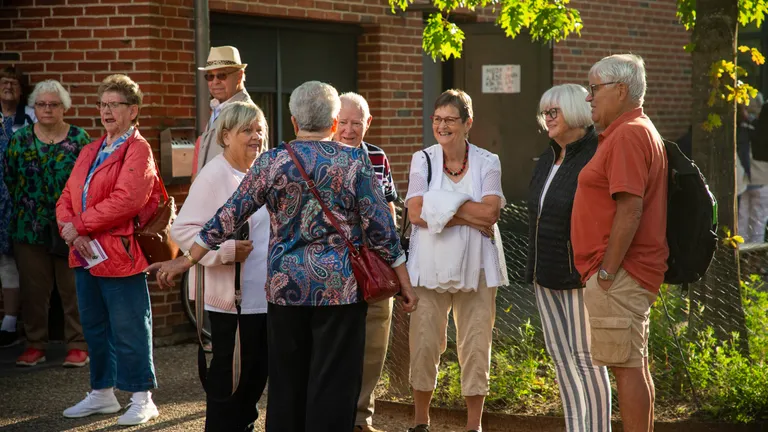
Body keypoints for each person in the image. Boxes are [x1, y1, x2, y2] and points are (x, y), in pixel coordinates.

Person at [146, 81, 418, 432]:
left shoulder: (272, 161)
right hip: (340, 291)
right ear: (335, 123)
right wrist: (404, 283)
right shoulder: (354, 162)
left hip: (285, 289)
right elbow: (382, 230)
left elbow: (227, 217)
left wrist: (187, 259)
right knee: (334, 384)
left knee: (288, 384)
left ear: (293, 121)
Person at [57, 74, 162, 426]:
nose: (106, 111)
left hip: (120, 253)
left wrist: (80, 225)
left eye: (114, 104)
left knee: (130, 327)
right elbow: (67, 195)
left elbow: (127, 199)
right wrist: (71, 230)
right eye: (103, 104)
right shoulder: (91, 148)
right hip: (84, 252)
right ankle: (102, 393)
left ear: (133, 111)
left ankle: (142, 397)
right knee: (94, 325)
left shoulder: (138, 149)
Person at [572, 54, 668, 432]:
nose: (589, 97)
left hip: (620, 273)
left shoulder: (628, 134)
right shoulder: (634, 130)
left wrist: (607, 272)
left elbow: (630, 210)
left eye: (594, 88)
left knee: (627, 368)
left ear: (621, 90)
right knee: (633, 364)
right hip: (626, 272)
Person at [405, 89, 508, 432]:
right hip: (428, 268)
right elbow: (416, 212)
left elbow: (490, 213)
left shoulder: (487, 161)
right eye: (437, 119)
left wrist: (441, 206)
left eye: (450, 119)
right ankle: (421, 422)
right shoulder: (423, 159)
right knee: (424, 343)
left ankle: (473, 425)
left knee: (476, 344)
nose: (442, 126)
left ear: (468, 123)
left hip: (478, 268)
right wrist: (466, 214)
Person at [171, 101, 270, 432]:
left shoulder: (260, 174)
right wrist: (224, 251)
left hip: (263, 298)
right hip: (231, 300)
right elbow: (183, 231)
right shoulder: (214, 175)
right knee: (230, 381)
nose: (256, 137)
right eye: (247, 130)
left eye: (260, 130)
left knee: (254, 378)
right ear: (226, 136)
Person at [526, 84, 611, 431]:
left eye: (554, 112)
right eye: (545, 112)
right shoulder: (548, 157)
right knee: (561, 360)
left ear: (576, 111)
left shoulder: (596, 154)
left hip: (580, 276)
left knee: (588, 360)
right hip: (543, 273)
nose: (547, 118)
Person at [5, 80, 90, 367]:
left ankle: (78, 344)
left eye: (54, 104)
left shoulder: (79, 138)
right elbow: (10, 177)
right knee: (34, 291)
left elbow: (88, 182)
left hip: (71, 228)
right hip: (28, 227)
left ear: (64, 107)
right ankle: (35, 344)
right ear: (34, 107)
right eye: (41, 104)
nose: (47, 109)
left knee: (73, 289)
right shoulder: (20, 139)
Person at [334, 92, 398, 432]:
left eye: (356, 123)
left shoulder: (377, 157)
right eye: (343, 122)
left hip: (373, 266)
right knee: (336, 346)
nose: (348, 130)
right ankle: (335, 416)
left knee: (374, 344)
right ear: (333, 122)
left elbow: (389, 208)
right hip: (334, 269)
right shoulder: (320, 155)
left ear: (368, 123)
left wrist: (392, 259)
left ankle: (362, 417)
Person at [0, 66, 36, 347]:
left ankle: (10, 324)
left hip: (19, 199)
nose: (8, 87)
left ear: (22, 90)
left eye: (14, 83)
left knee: (10, 260)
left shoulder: (31, 118)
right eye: (4, 82)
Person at [192, 46, 253, 180]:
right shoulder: (218, 107)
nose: (215, 81)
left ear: (239, 76)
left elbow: (251, 170)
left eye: (221, 75)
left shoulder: (247, 113)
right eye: (210, 76)